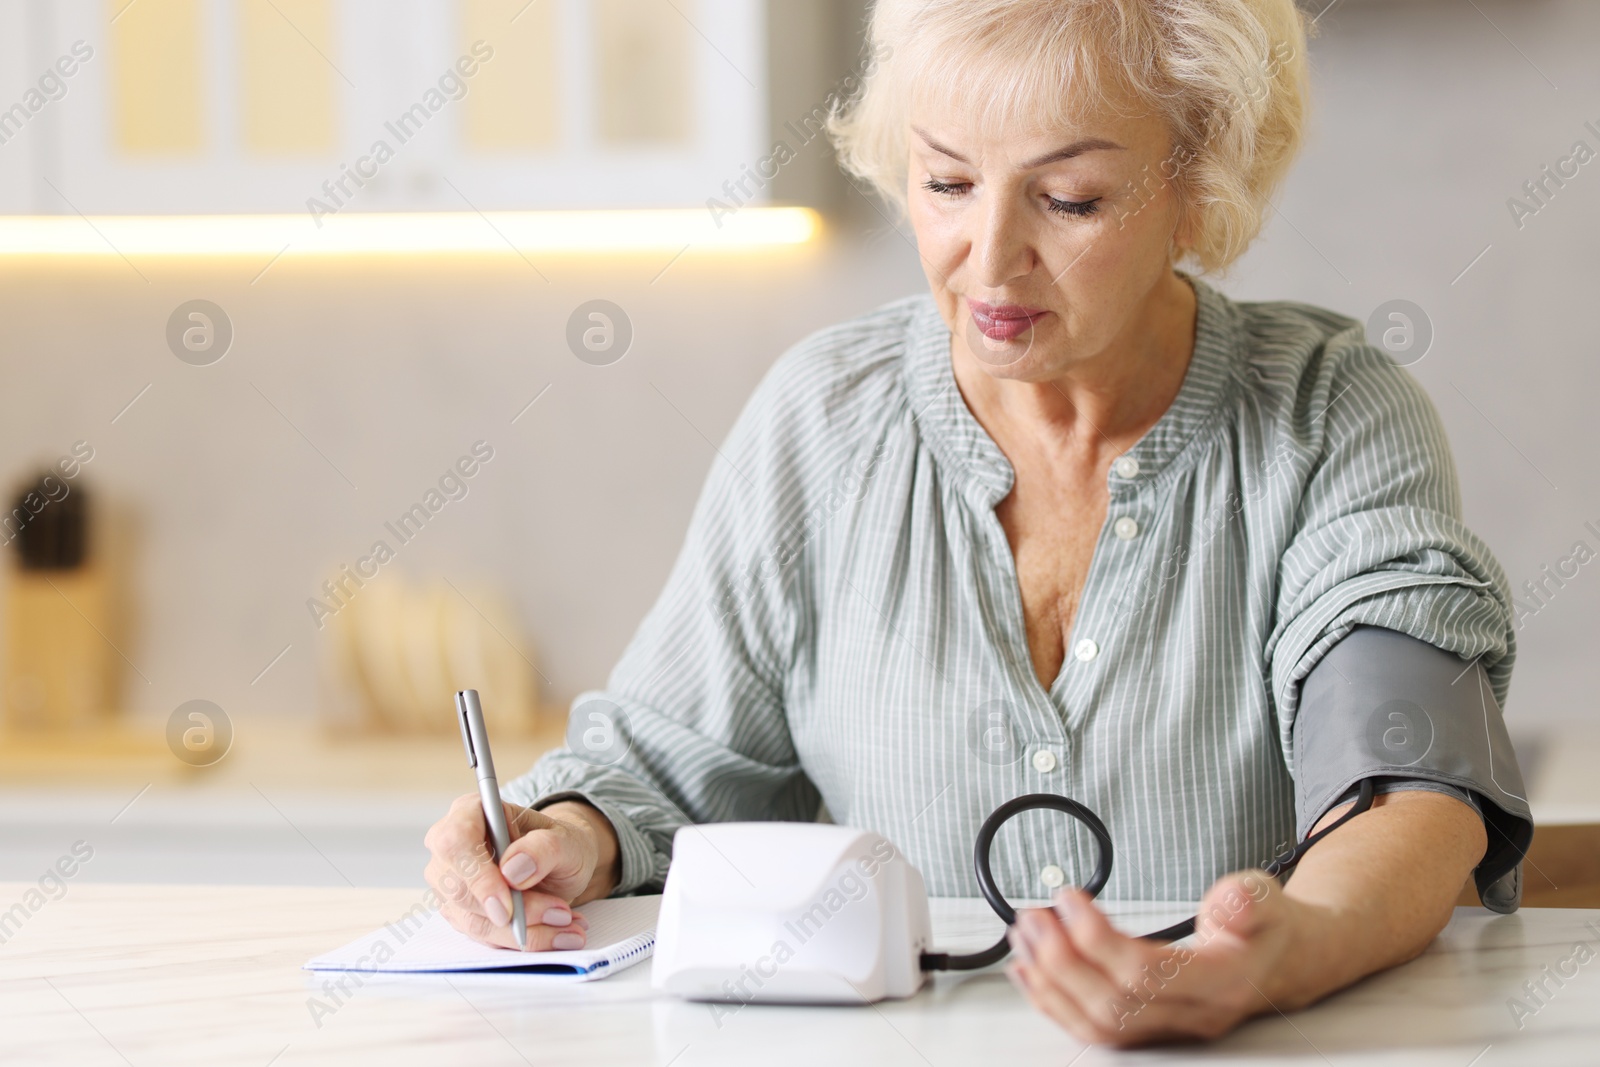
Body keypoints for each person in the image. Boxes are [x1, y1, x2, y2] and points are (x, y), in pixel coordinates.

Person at [423, 0, 1531, 1045]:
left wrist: (1284, 953)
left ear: (1199, 186)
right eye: (947, 182)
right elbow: (664, 766)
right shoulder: (821, 419)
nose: (988, 260)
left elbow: (1406, 774)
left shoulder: (1328, 411)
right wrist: (562, 835)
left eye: (1070, 200)